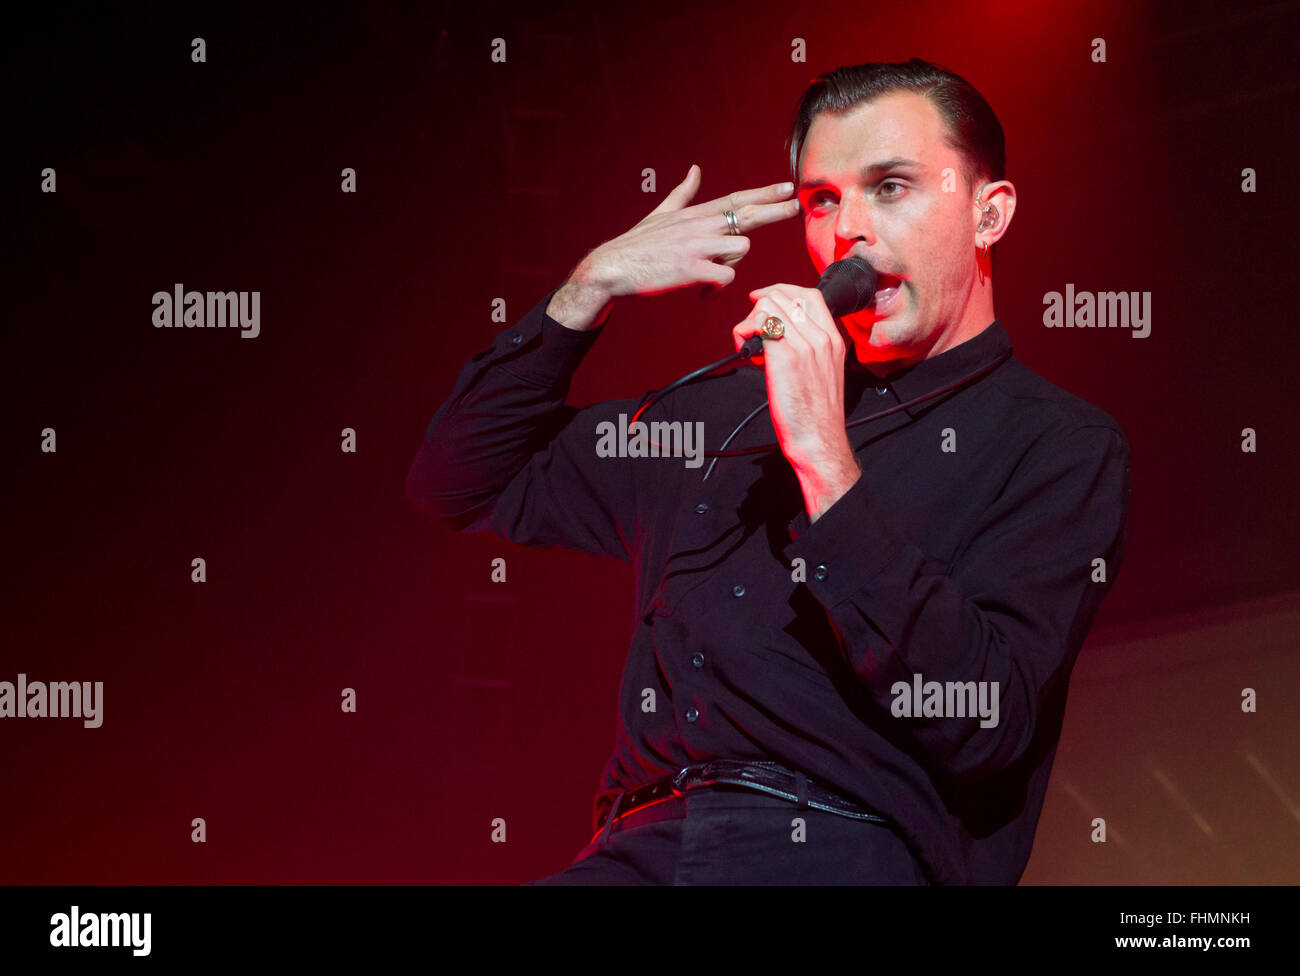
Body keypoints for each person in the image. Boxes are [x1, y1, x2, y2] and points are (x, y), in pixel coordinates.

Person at [405, 58, 1131, 884]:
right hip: (632, 847)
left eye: (889, 186)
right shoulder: (726, 411)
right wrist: (591, 284)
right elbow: (457, 478)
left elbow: (983, 719)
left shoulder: (1056, 443)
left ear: (988, 213)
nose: (845, 230)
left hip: (840, 848)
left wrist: (825, 458)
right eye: (824, 199)